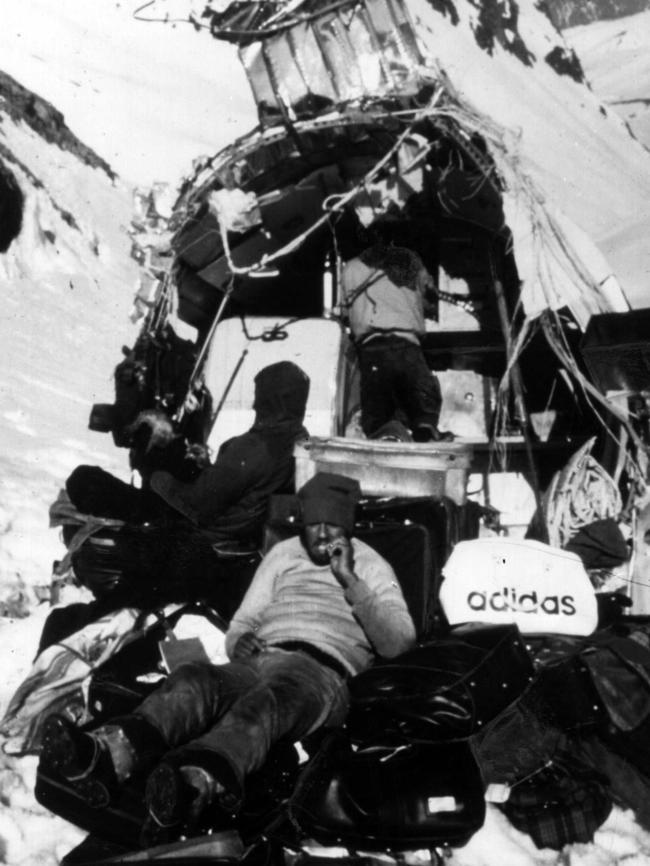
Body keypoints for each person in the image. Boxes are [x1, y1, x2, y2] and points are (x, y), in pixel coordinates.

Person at [41, 472, 416, 844]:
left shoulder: (371, 566)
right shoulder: (284, 554)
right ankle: (110, 753)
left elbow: (399, 642)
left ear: (348, 526)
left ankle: (190, 788)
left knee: (264, 705)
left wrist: (350, 581)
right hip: (259, 658)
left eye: (332, 526)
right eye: (313, 524)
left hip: (321, 673)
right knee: (193, 679)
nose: (321, 535)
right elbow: (244, 620)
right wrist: (239, 641)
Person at [340, 235, 454, 442]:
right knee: (421, 401)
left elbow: (346, 311)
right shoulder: (409, 260)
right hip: (406, 345)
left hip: (371, 349)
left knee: (377, 407)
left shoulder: (351, 267)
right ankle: (425, 431)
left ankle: (384, 438)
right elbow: (430, 294)